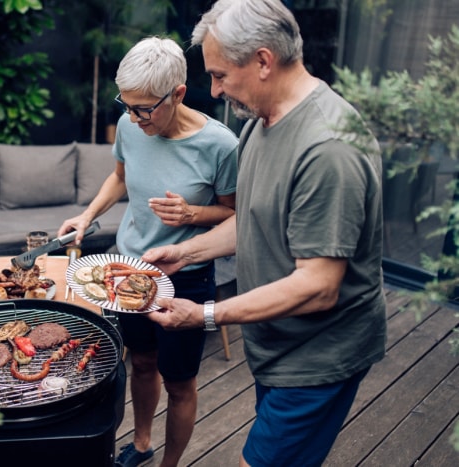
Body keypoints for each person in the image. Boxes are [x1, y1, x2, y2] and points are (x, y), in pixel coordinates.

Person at [141, 1, 387, 466]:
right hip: (273, 342)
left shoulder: (329, 148)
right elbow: (254, 220)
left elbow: (318, 286)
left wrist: (206, 315)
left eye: (219, 75)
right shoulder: (258, 120)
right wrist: (187, 253)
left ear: (262, 61)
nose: (213, 91)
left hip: (317, 356)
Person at [57, 36, 238, 467]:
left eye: (143, 108)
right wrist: (87, 216)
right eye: (126, 104)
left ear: (177, 94)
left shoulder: (222, 145)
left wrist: (193, 212)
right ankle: (140, 443)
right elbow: (119, 178)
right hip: (128, 268)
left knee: (179, 383)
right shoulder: (129, 125)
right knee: (140, 362)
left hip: (186, 277)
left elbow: (235, 216)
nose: (133, 117)